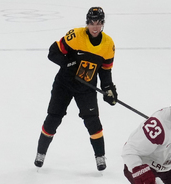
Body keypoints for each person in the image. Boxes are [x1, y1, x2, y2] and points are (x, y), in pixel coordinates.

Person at [34, 6, 117, 171]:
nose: (95, 27)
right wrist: (67, 63)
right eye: (92, 22)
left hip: (86, 88)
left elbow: (105, 72)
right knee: (53, 118)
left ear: (103, 24)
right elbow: (53, 52)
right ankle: (40, 153)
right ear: (87, 23)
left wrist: (109, 89)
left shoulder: (108, 44)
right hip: (64, 85)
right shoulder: (75, 36)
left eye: (99, 23)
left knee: (93, 121)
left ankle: (100, 157)